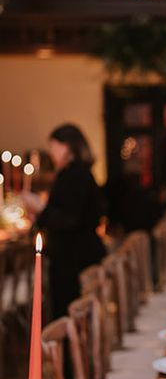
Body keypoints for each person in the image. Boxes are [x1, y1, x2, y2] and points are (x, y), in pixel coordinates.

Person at [23, 124, 106, 318]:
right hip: (77, 253)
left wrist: (41, 208)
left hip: (73, 258)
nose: (51, 152)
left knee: (70, 312)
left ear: (67, 147)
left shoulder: (73, 175)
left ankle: (69, 349)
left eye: (53, 146)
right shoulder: (78, 173)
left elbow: (70, 219)